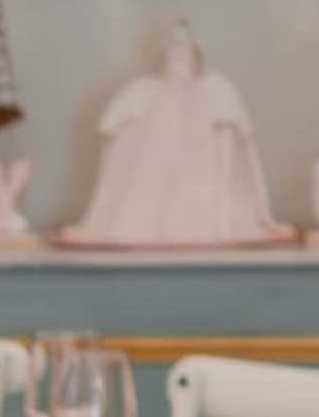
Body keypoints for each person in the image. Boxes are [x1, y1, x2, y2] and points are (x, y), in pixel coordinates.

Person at [61, 16, 292, 246]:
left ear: (195, 57)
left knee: (194, 178)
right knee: (152, 170)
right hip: (156, 153)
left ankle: (195, 220)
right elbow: (114, 119)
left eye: (184, 54)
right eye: (173, 54)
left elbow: (232, 121)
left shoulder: (212, 88)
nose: (178, 59)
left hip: (198, 156)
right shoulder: (146, 90)